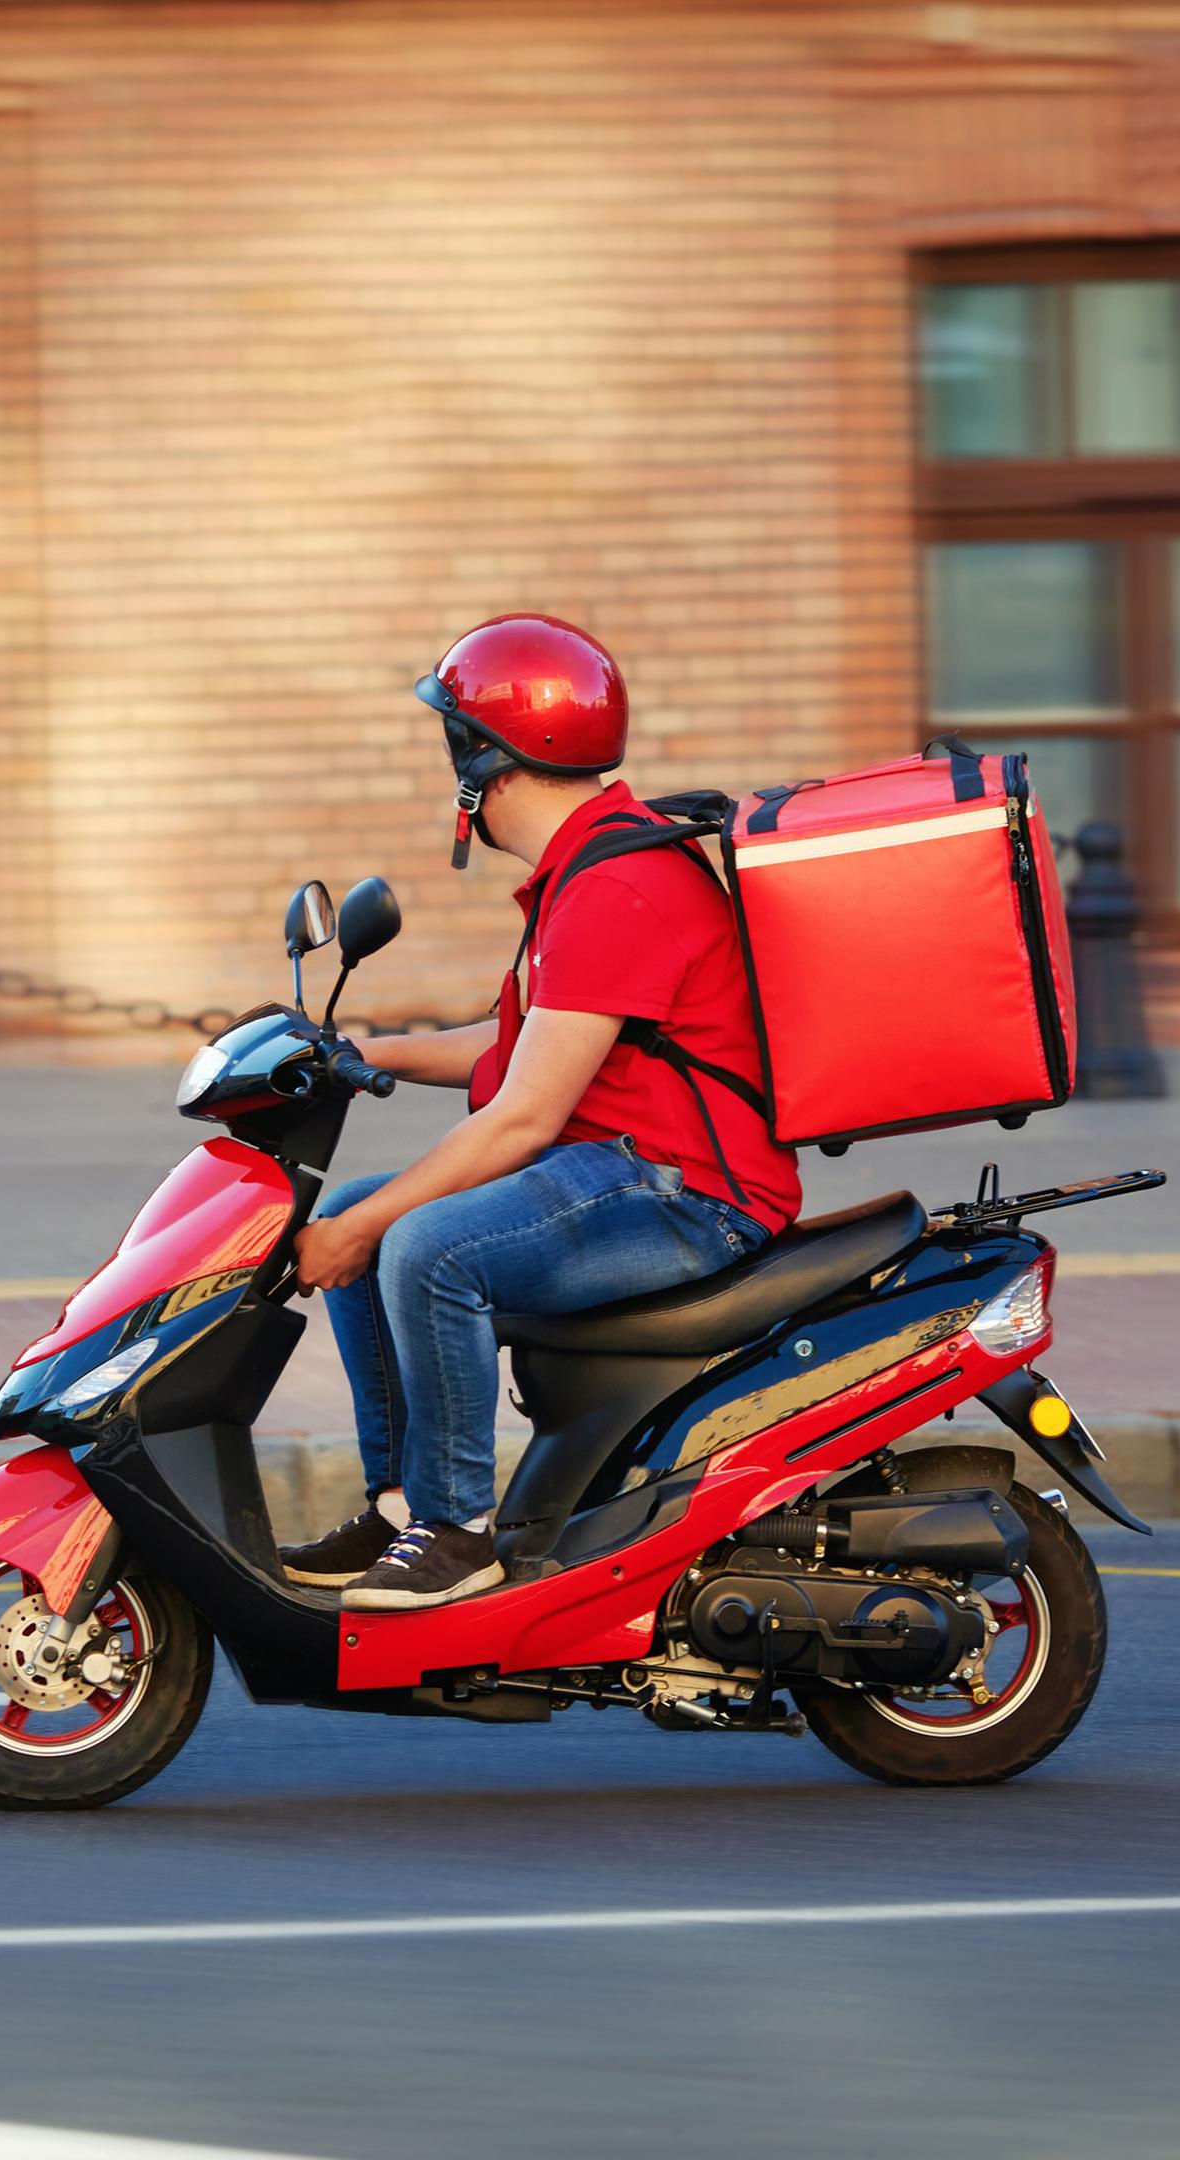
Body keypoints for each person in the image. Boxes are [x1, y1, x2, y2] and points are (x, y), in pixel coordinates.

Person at [275, 613, 805, 1612]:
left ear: (488, 758)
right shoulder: (587, 872)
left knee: (422, 1243)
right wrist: (356, 1055)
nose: (451, 772)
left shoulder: (620, 886)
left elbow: (521, 1117)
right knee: (364, 1205)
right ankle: (400, 1511)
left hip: (686, 1193)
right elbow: (516, 1045)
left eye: (454, 744)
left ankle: (454, 1532)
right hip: (622, 1168)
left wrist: (358, 1231)